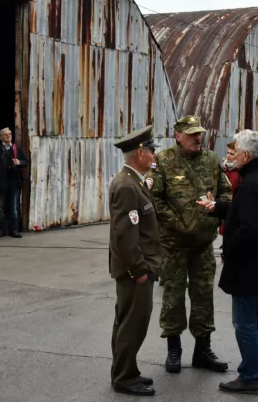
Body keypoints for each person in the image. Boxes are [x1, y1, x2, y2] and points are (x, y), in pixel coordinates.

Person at [148, 115, 232, 374]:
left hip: (203, 245)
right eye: (192, 134)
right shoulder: (163, 161)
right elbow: (153, 198)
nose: (198, 138)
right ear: (178, 136)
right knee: (173, 298)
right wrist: (177, 221)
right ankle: (174, 351)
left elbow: (226, 192)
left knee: (204, 297)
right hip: (174, 245)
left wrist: (216, 210)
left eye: (200, 134)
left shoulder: (211, 160)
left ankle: (202, 351)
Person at [212, 130, 258, 395]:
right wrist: (219, 207)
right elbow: (249, 211)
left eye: (236, 152)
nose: (233, 157)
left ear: (245, 155)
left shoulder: (252, 182)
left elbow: (249, 226)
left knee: (245, 323)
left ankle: (250, 376)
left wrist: (229, 250)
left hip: (248, 263)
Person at [108, 125, 162, 397]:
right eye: (151, 150)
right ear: (140, 153)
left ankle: (126, 370)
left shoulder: (135, 180)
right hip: (135, 270)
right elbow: (125, 235)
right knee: (133, 323)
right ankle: (124, 377)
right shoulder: (128, 185)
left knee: (127, 321)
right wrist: (140, 270)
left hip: (137, 267)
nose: (154, 155)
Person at [0, 127, 28, 238]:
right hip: (1, 183)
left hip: (14, 182)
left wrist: (20, 162)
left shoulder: (17, 149)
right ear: (1, 137)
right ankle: (0, 230)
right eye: (5, 135)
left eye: (10, 134)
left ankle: (13, 230)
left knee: (14, 208)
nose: (8, 136)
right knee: (0, 208)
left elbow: (25, 162)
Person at [219, 141, 242, 261]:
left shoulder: (240, 172)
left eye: (232, 153)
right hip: (226, 212)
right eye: (227, 153)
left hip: (237, 214)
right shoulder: (224, 169)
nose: (228, 156)